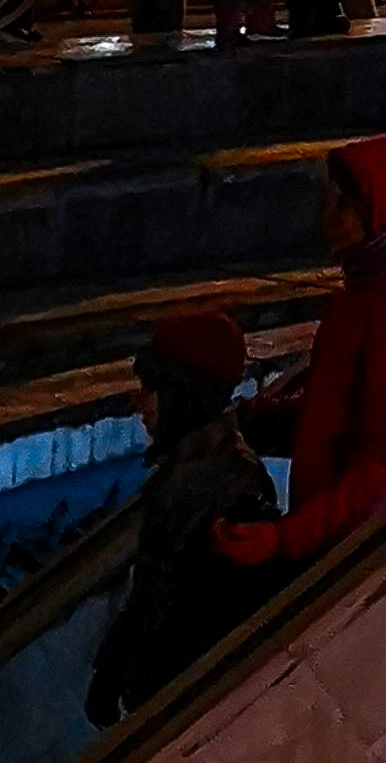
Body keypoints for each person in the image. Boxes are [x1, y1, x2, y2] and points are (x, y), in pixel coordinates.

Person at [209, 134, 386, 586]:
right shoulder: (364, 293)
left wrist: (286, 538)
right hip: (333, 542)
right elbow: (343, 411)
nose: (328, 218)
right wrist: (257, 422)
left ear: (385, 209)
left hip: (364, 561)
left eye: (345, 203)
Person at [86, 305, 278, 725]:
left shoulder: (198, 483)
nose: (140, 405)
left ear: (180, 394)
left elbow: (162, 595)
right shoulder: (223, 466)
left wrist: (116, 670)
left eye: (150, 389)